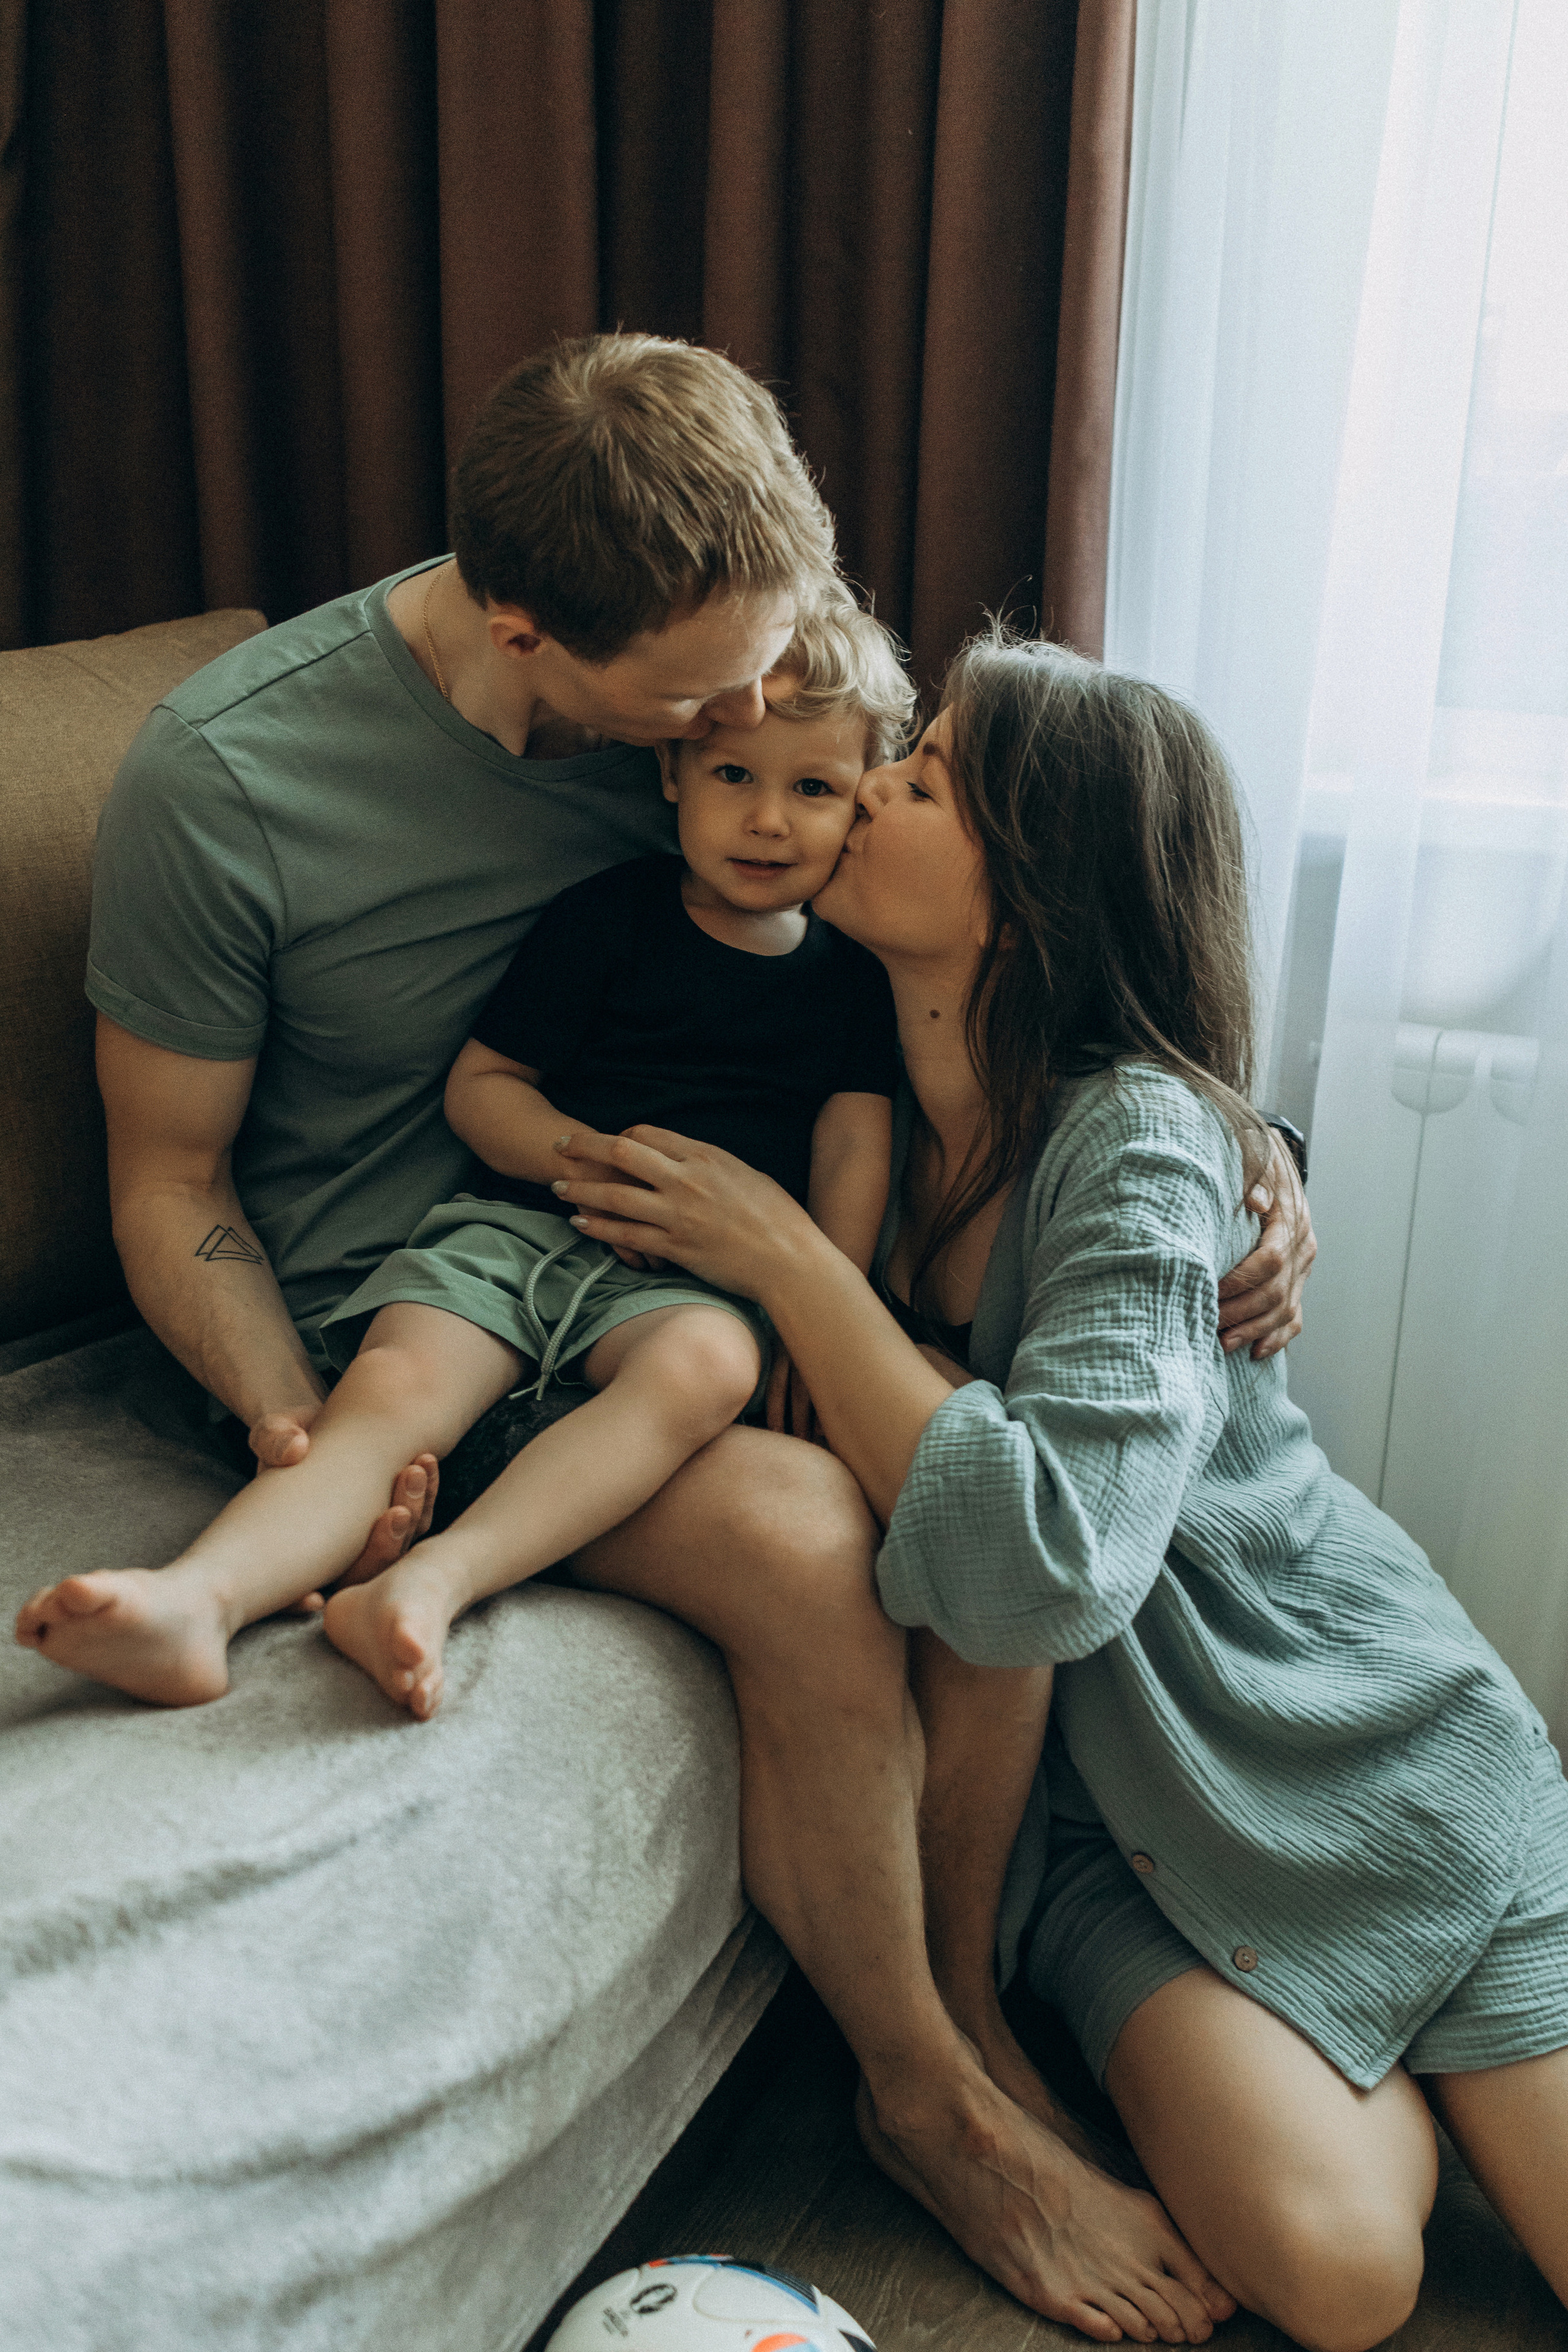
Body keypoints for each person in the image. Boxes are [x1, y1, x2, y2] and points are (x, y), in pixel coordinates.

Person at [64, 326, 1315, 2332]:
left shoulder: (732, 657)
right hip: (411, 1309)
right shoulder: (227, 779)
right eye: (703, 714)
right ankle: (927, 2104)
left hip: (666, 1293)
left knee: (953, 1457)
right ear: (526, 638)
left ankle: (974, 1997)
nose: (759, 732)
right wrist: (304, 1431)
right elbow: (169, 1182)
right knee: (814, 1537)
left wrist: (1245, 1144)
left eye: (780, 669)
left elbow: (1022, 888)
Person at [545, 633, 1568, 2352]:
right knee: (1343, 2282)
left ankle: (1420, 2010)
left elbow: (1044, 1566)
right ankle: (1369, 2051)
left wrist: (796, 1265)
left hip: (1358, 1745)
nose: (862, 792)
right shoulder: (828, 1068)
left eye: (923, 779)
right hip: (1118, 1843)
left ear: (1030, 893)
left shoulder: (1134, 1138)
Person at [15, 605, 911, 1715]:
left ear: (864, 797)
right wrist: (584, 1159)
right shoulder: (608, 916)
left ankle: (436, 1580)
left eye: (814, 789)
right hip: (519, 1229)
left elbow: (853, 1142)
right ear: (673, 774)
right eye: (734, 775)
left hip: (692, 1287)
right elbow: (483, 1089)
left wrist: (823, 1312)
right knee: (396, 1384)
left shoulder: (852, 978)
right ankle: (196, 1598)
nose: (768, 820)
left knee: (708, 1368)